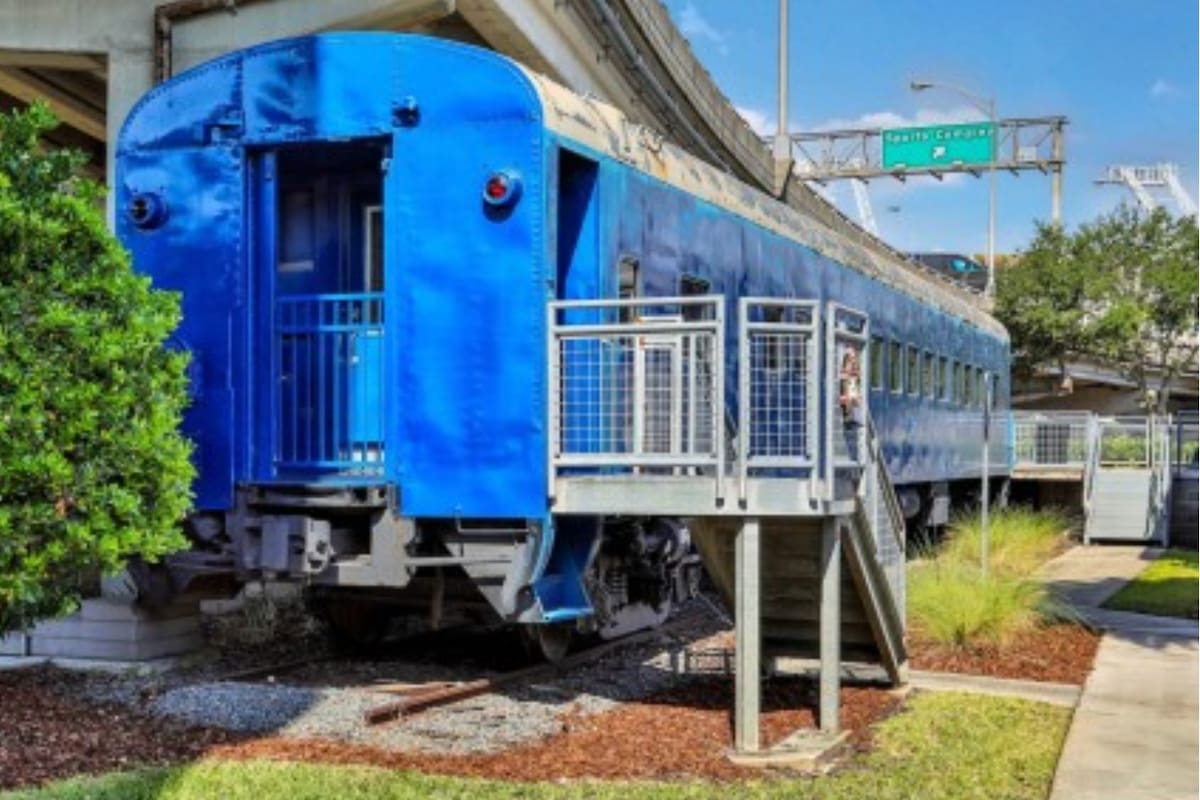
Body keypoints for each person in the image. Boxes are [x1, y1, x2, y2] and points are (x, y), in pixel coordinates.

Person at [839, 348, 862, 425]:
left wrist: (856, 374)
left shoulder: (855, 368)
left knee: (855, 399)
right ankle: (848, 417)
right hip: (847, 387)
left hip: (852, 385)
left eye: (854, 358)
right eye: (851, 358)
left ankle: (853, 418)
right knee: (849, 398)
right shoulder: (844, 371)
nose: (853, 361)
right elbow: (844, 375)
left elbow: (857, 374)